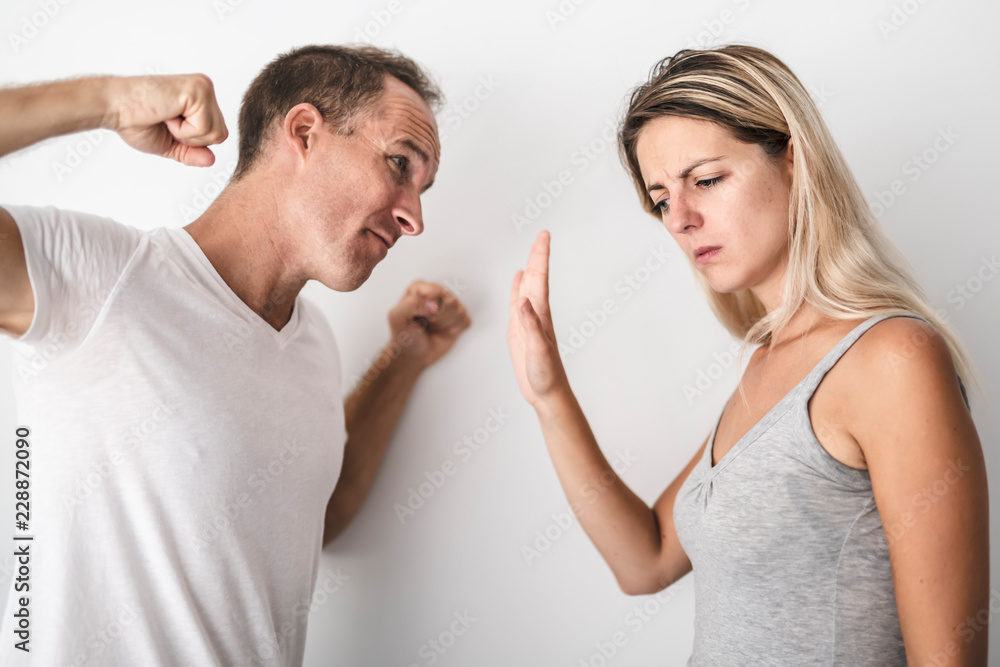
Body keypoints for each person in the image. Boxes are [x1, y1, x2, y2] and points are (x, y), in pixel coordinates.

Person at [507, 44, 988, 665]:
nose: (679, 218)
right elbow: (645, 560)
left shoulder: (891, 359)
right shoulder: (764, 364)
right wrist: (549, 396)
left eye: (706, 180)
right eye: (661, 198)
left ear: (794, 159)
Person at [0, 44, 470, 666]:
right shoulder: (105, 279)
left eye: (422, 188)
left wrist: (401, 360)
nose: (414, 217)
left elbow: (315, 514)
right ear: (304, 132)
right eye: (400, 164)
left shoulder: (314, 343)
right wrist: (114, 101)